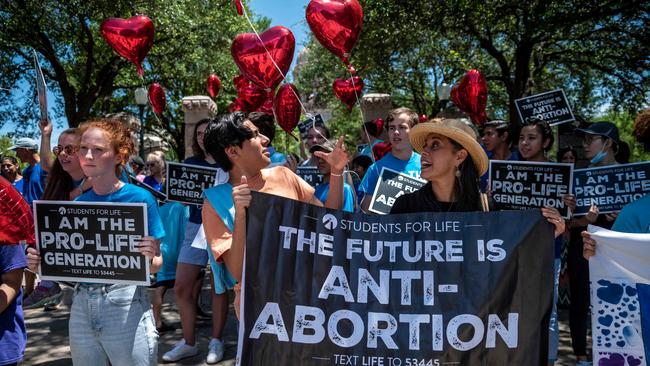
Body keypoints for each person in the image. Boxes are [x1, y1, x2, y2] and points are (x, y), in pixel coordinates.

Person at [27, 118, 164, 366]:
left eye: (98, 150)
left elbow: (156, 265)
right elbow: (70, 265)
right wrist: (39, 263)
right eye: (83, 148)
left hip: (124, 304)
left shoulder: (139, 199)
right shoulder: (78, 205)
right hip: (81, 305)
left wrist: (150, 256)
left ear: (119, 155)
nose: (88, 156)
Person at [201, 112, 347, 319]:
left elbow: (328, 222)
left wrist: (337, 171)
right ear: (233, 151)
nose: (265, 139)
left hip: (309, 296)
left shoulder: (284, 175)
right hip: (261, 311)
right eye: (254, 134)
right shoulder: (214, 201)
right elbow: (237, 271)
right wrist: (241, 214)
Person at [164, 118, 229, 364]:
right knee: (181, 286)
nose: (202, 136)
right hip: (195, 227)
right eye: (198, 133)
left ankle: (217, 340)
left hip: (222, 227)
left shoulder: (229, 161)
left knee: (219, 285)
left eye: (207, 132)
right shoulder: (190, 163)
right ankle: (189, 342)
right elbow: (181, 196)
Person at [566, 121, 621, 365]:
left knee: (613, 302)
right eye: (584, 140)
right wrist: (582, 220)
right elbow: (568, 224)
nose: (585, 145)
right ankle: (581, 357)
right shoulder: (577, 178)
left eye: (591, 140)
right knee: (580, 302)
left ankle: (612, 353)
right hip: (582, 249)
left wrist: (623, 216)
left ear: (608, 143)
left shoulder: (630, 175)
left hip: (616, 253)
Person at [517, 118, 568, 365]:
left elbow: (570, 224)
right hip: (514, 253)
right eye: (522, 138)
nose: (525, 143)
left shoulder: (561, 177)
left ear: (546, 142)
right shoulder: (509, 171)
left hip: (549, 254)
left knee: (548, 310)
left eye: (532, 138)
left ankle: (548, 359)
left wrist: (569, 211)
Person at [23, 120, 88, 310]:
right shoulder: (61, 177)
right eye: (58, 149)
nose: (62, 154)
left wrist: (81, 190)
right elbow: (45, 163)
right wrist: (45, 134)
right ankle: (48, 284)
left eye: (69, 149)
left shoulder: (99, 178)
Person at [359, 107, 421, 212]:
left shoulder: (426, 165)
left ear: (414, 131)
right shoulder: (375, 169)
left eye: (402, 127)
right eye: (392, 128)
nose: (396, 132)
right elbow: (366, 212)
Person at [310, 143, 356, 212]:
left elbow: (345, 218)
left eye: (327, 157)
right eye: (318, 157)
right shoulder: (315, 189)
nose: (320, 161)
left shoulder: (345, 189)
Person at [9, 136, 47, 207]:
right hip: (28, 214)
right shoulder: (25, 171)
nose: (16, 155)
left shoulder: (45, 168)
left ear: (25, 150)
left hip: (42, 213)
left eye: (17, 151)